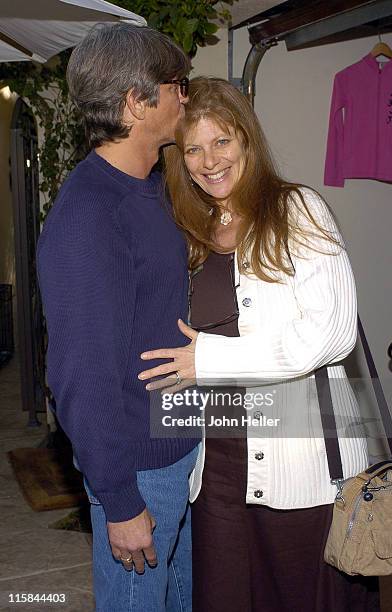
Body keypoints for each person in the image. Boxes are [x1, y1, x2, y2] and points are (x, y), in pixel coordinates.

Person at [138, 77, 380, 611]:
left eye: (221, 141)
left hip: (301, 466)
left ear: (247, 139)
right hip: (218, 469)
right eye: (193, 148)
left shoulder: (299, 210)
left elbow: (332, 333)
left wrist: (209, 360)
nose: (208, 160)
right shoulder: (193, 231)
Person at [37, 23, 199, 612]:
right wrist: (120, 500)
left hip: (175, 449)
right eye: (176, 84)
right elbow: (80, 375)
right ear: (136, 101)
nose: (186, 96)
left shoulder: (147, 188)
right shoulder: (88, 218)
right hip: (137, 470)